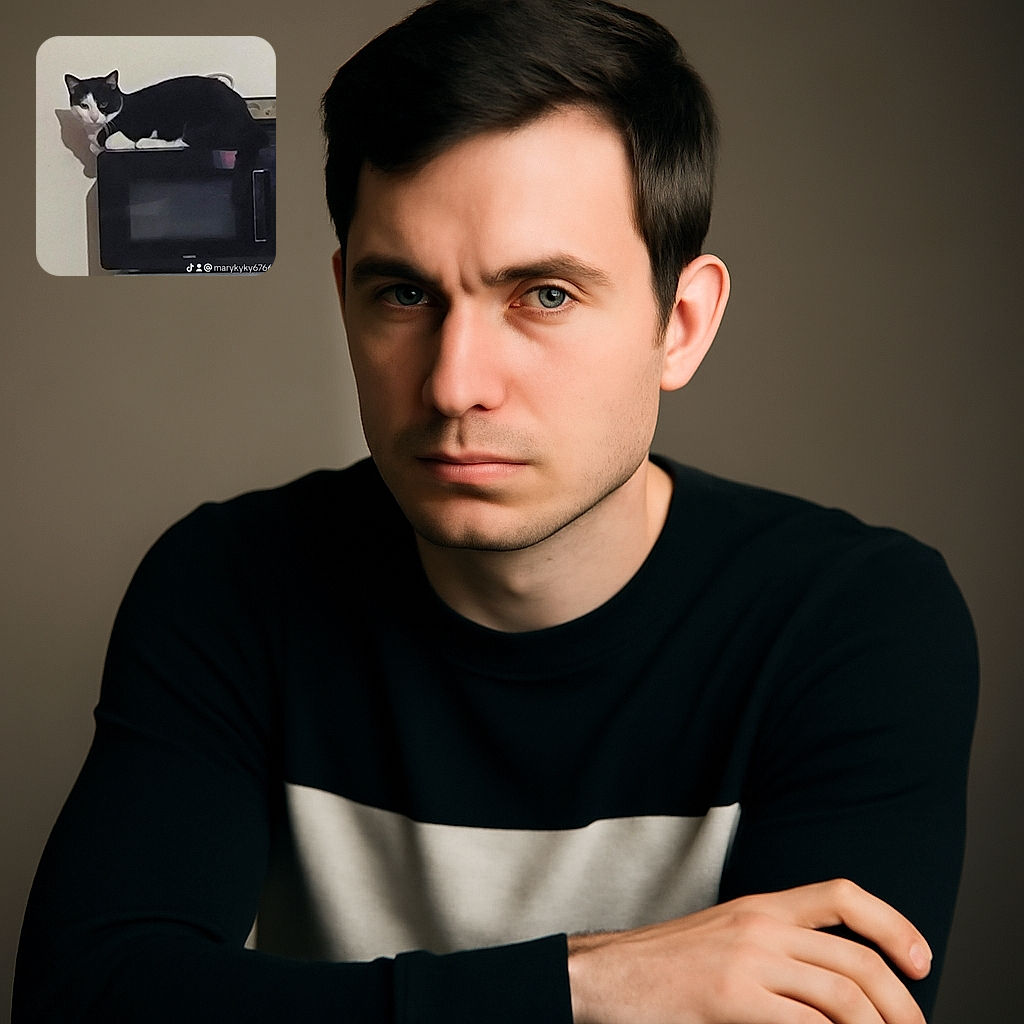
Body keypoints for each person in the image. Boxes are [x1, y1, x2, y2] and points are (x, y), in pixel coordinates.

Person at [15, 1, 978, 1021]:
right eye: (403, 295)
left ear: (680, 325)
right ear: (343, 298)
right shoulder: (228, 582)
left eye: (545, 295)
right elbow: (87, 998)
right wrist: (582, 987)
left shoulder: (854, 619)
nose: (453, 384)